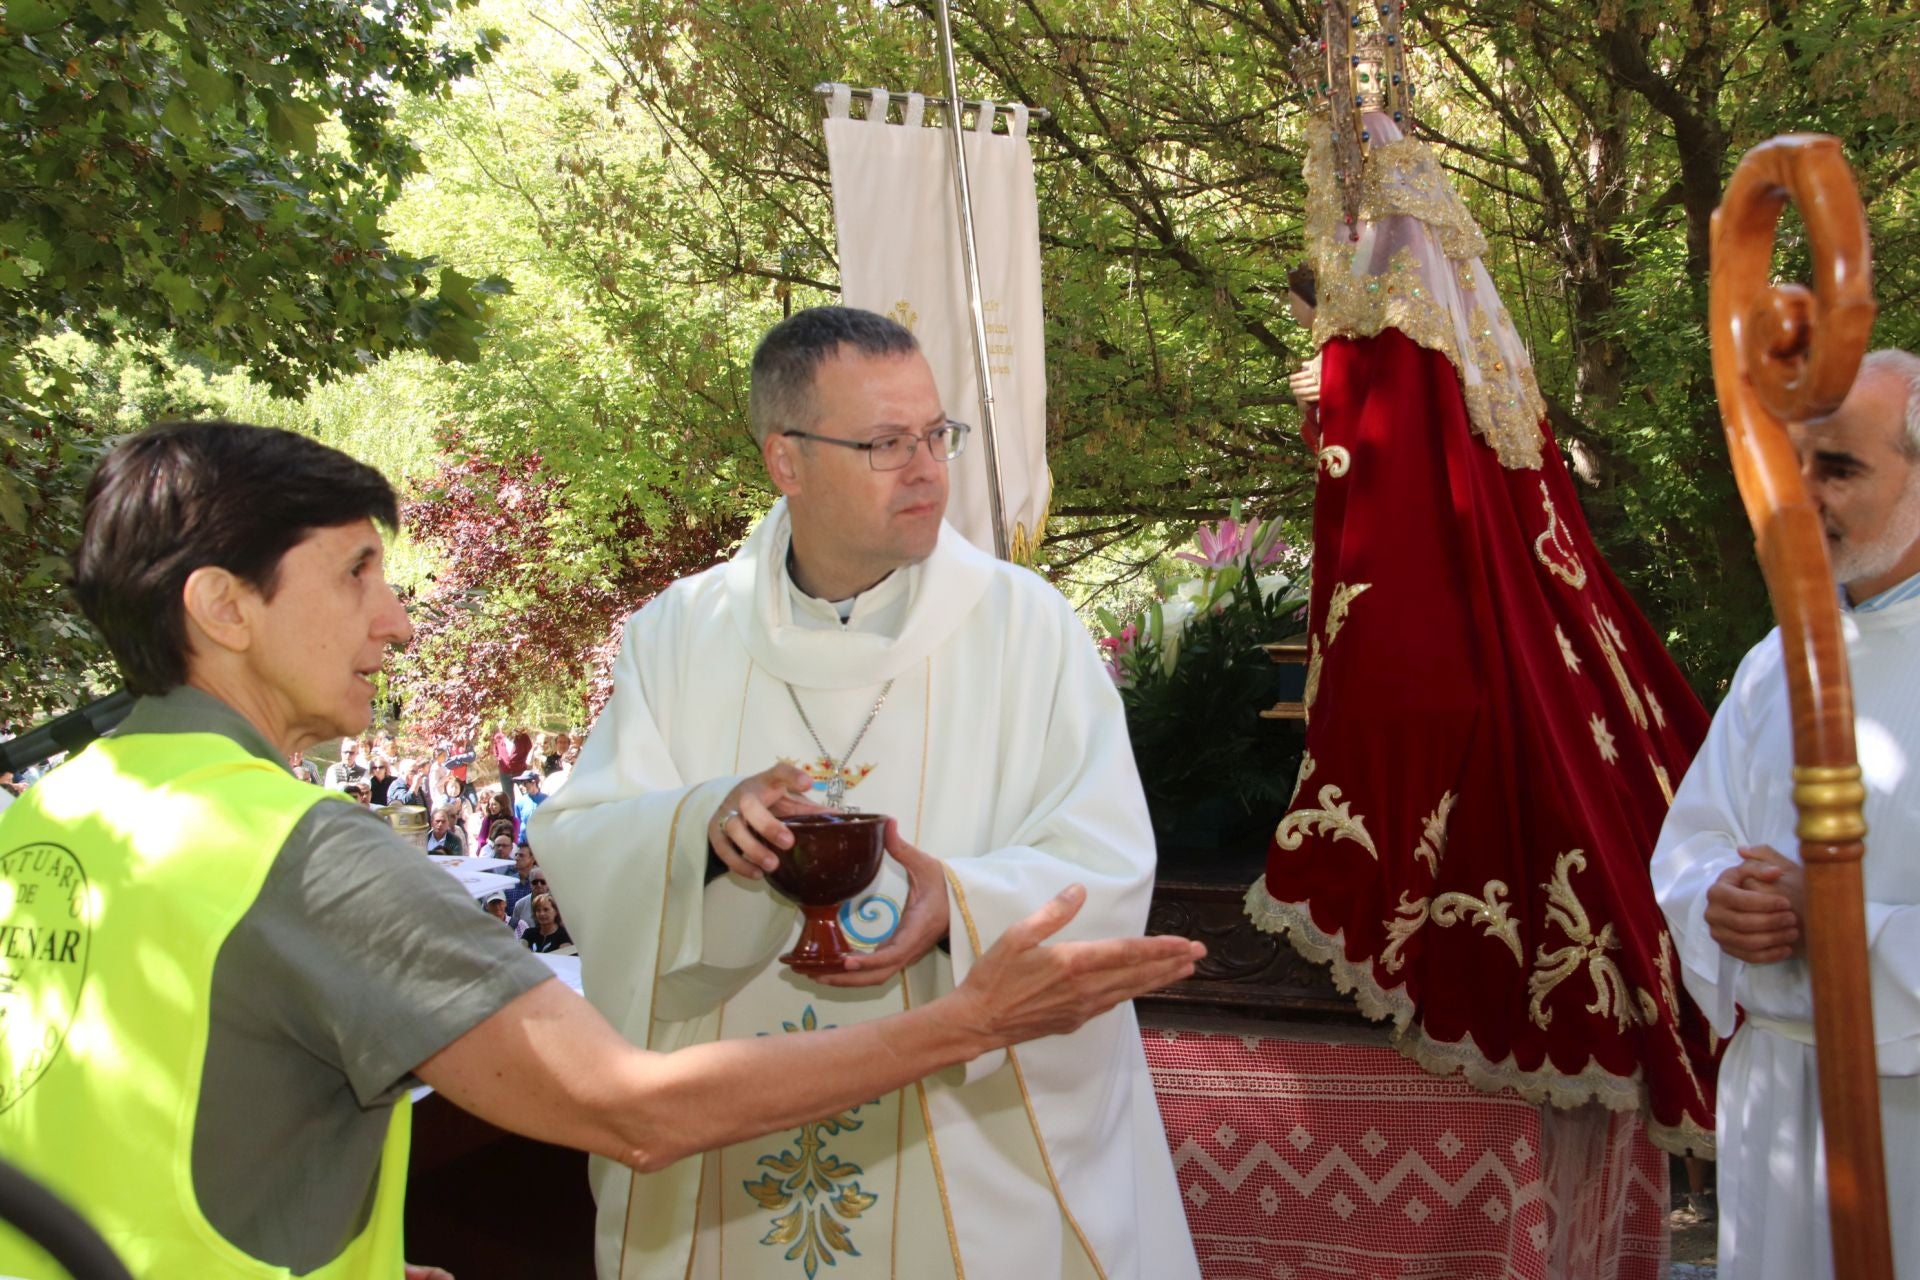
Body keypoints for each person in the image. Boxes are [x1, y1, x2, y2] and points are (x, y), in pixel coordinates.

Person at [0, 419, 1203, 1280]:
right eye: (357, 571)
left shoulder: (45, 816)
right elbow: (631, 1109)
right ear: (222, 605)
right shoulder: (304, 854)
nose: (399, 620)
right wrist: (971, 1020)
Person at [534, 307, 1200, 1280]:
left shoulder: (1026, 629)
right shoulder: (678, 635)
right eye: (887, 443)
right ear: (787, 461)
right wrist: (703, 830)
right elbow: (585, 841)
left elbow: (1105, 863)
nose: (928, 469)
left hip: (962, 1149)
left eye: (937, 434)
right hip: (736, 1152)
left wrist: (957, 909)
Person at [1244, 40, 1718, 1153]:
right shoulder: (1450, 323)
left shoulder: (1399, 326)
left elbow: (1399, 482)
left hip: (1436, 626)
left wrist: (1335, 389)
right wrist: (1332, 394)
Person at [1651, 350, 1920, 1279]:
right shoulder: (1778, 657)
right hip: (1775, 1097)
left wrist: (1844, 919)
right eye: (1795, 465)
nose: (1802, 495)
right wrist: (1719, 901)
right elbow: (1696, 839)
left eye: (1838, 469)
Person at [511, 768, 544, 833]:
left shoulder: (546, 800)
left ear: (533, 783)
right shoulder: (519, 803)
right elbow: (518, 824)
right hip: (525, 838)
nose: (521, 786)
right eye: (520, 783)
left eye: (524, 783)